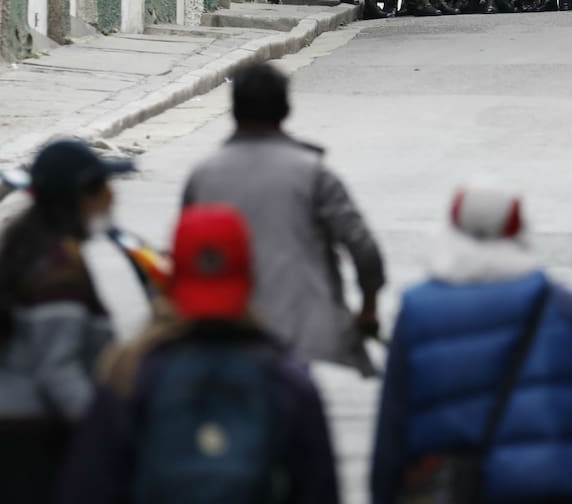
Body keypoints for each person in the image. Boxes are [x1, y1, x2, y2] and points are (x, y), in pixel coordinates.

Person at [56, 205, 340, 504]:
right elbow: (321, 491)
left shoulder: (128, 374)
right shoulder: (288, 380)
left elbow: (87, 488)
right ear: (250, 276)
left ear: (173, 277)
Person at [370, 186, 572, 504]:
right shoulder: (562, 306)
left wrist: (383, 491)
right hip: (548, 488)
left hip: (454, 488)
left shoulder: (417, 310)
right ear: (519, 229)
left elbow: (393, 421)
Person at [181, 62, 385, 375]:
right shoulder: (314, 174)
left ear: (233, 111)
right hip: (296, 332)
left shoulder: (202, 176)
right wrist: (369, 309)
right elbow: (363, 247)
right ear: (287, 109)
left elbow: (184, 256)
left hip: (223, 330)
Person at [0, 139, 130, 503]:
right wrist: (105, 434)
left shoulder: (29, 246)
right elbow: (59, 370)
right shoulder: (57, 268)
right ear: (80, 197)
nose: (112, 198)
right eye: (103, 188)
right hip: (32, 440)